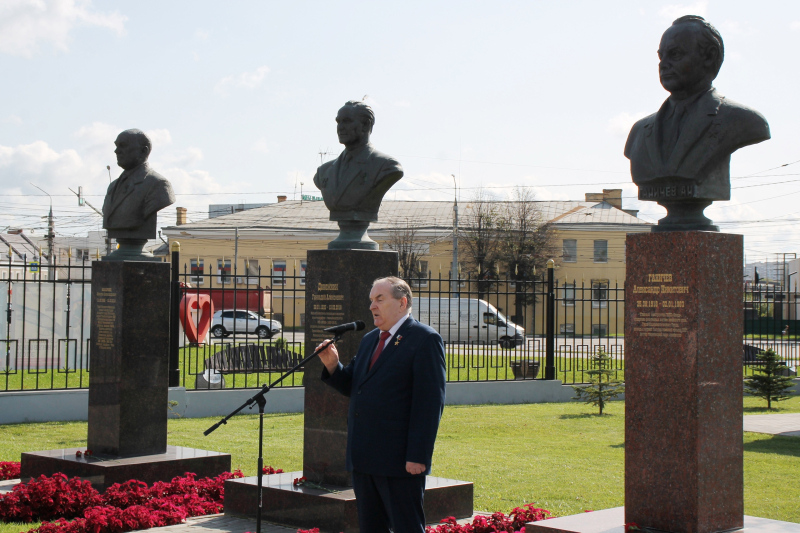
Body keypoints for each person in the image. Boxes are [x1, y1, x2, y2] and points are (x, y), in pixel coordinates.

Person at [316, 277, 446, 533]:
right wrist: (332, 365)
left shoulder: (424, 339)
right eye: (371, 300)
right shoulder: (370, 340)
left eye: (379, 299)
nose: (372, 306)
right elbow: (355, 386)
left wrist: (418, 456)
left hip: (399, 462)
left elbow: (429, 403)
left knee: (407, 527)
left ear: (402, 303)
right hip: (364, 458)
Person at [624, 15, 769, 228]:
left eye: (675, 54)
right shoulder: (639, 131)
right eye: (661, 56)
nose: (664, 64)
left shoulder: (743, 120)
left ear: (709, 56)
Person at [102, 129, 175, 259]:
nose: (117, 151)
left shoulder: (158, 184)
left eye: (123, 146)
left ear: (143, 151)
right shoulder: (112, 187)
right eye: (116, 146)